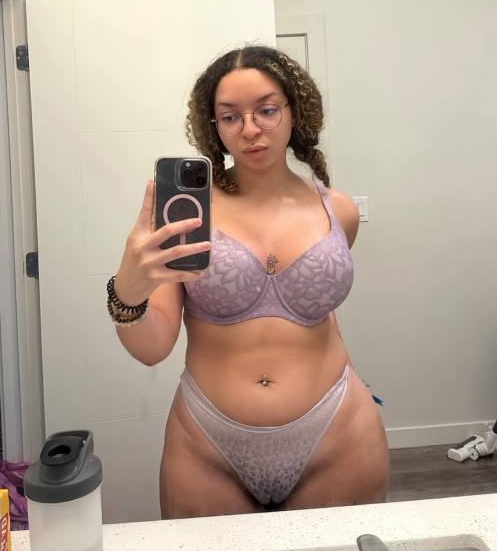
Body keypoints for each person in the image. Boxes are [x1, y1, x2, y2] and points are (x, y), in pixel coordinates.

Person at [109, 45, 389, 518]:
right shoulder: (188, 217)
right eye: (230, 117)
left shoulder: (337, 211)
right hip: (208, 444)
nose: (250, 129)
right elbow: (152, 348)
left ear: (293, 111)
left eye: (266, 110)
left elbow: (318, 315)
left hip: (337, 431)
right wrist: (127, 292)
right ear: (214, 127)